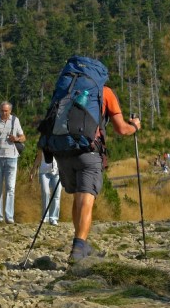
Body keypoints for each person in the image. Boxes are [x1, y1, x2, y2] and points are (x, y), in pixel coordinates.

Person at [55, 85, 140, 263]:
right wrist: (135, 127)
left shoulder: (68, 88)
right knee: (86, 198)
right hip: (89, 151)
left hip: (64, 152)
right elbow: (122, 129)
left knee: (78, 197)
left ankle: (81, 243)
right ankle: (78, 248)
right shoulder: (105, 91)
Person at [29, 150, 62, 225]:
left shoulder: (60, 142)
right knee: (45, 192)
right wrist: (33, 169)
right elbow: (39, 157)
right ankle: (45, 217)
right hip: (44, 171)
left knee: (56, 195)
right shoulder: (44, 142)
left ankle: (53, 218)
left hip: (57, 172)